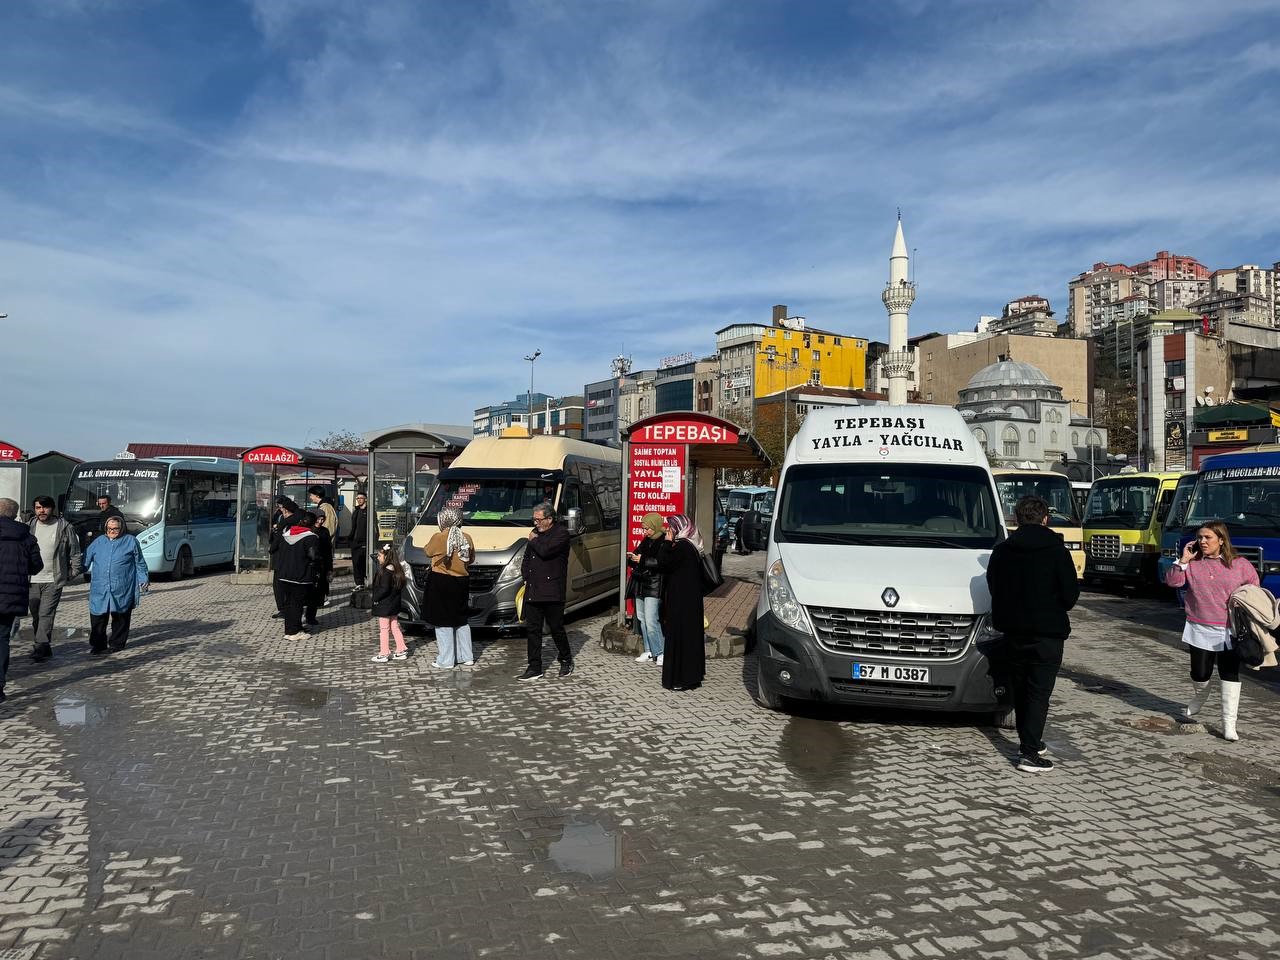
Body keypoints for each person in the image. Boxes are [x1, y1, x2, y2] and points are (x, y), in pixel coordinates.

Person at [986, 495, 1080, 773]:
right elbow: (1070, 596)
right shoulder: (1057, 551)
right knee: (1038, 693)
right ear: (1045, 518)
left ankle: (1031, 743)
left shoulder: (1002, 550)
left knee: (1021, 688)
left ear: (1016, 519)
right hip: (1047, 634)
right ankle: (1029, 752)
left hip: (1012, 631)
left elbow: (993, 586)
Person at [1165, 520, 1258, 741]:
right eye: (1200, 537)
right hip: (1199, 626)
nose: (1202, 541)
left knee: (1229, 674)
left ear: (1221, 540)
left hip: (1230, 629)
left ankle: (1229, 724)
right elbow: (1173, 582)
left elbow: (1254, 587)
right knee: (1200, 673)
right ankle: (1200, 697)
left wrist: (1245, 602)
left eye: (1208, 537)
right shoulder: (1193, 563)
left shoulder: (1240, 564)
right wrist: (1183, 561)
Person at [518, 502, 573, 681]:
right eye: (534, 519)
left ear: (550, 519)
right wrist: (525, 575)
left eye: (539, 519)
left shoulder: (561, 534)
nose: (536, 523)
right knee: (533, 630)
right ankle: (534, 667)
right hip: (533, 589)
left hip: (552, 590)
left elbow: (545, 551)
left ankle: (565, 658)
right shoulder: (535, 535)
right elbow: (527, 558)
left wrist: (534, 540)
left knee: (556, 628)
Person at [27, 495, 83, 662]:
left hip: (53, 579)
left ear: (52, 509)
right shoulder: (29, 526)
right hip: (32, 579)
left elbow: (74, 551)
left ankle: (40, 645)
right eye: (38, 508)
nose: (41, 511)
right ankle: (44, 645)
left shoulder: (64, 527)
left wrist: (73, 572)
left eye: (45, 508)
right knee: (36, 614)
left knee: (46, 614)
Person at [83, 514, 149, 655]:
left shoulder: (131, 541)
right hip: (100, 587)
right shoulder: (99, 541)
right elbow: (86, 559)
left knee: (120, 616)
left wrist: (143, 580)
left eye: (115, 529)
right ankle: (98, 645)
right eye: (109, 529)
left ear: (122, 528)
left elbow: (140, 563)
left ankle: (117, 643)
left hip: (122, 586)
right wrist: (74, 570)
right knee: (98, 616)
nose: (112, 531)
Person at [656, 513, 706, 692]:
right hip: (690, 601)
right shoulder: (691, 546)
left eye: (671, 528)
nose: (669, 531)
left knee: (680, 638)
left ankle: (681, 678)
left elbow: (662, 562)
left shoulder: (682, 547)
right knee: (690, 638)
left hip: (681, 602)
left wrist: (667, 543)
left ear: (679, 528)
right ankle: (692, 677)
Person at [0, 498, 43, 702]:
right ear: (15, 514)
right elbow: (37, 566)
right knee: (2, 639)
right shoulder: (26, 536)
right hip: (11, 596)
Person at [425, 506, 475, 670]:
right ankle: (466, 656)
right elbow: (471, 558)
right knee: (461, 619)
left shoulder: (439, 537)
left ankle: (446, 660)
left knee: (443, 621)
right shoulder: (466, 537)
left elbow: (428, 551)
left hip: (441, 580)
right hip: (462, 581)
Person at [626, 512, 666, 664]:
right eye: (643, 528)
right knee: (642, 619)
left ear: (655, 526)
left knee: (651, 620)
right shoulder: (646, 540)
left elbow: (660, 563)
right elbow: (638, 555)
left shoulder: (663, 541)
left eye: (647, 528)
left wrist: (641, 559)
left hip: (654, 584)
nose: (645, 532)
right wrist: (632, 557)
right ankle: (649, 651)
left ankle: (660, 652)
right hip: (641, 583)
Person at [274, 513, 319, 641]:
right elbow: (313, 556)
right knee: (297, 604)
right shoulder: (311, 538)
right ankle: (294, 632)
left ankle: (291, 628)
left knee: (288, 604)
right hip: (300, 576)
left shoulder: (287, 534)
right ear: (312, 524)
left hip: (283, 575)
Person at [369, 544, 408, 663]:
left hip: (384, 605)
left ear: (386, 557)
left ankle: (384, 652)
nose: (378, 558)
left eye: (380, 556)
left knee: (384, 629)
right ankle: (401, 649)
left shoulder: (386, 572)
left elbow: (384, 589)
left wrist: (375, 598)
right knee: (395, 626)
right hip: (393, 604)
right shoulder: (397, 570)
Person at [269, 497, 301, 620]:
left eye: (281, 507)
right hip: (292, 558)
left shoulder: (287, 521)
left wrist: (271, 548)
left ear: (286, 509)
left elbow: (277, 540)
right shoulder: (298, 517)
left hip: (282, 556)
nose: (279, 509)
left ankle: (284, 608)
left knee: (279, 583)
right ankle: (288, 607)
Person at [302, 512, 333, 628]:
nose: (320, 522)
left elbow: (329, 551)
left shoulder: (325, 531)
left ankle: (311, 616)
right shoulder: (309, 531)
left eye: (322, 519)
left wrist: (329, 569)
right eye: (318, 519)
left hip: (322, 565)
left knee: (318, 593)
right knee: (308, 593)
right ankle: (304, 616)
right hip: (310, 565)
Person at [350, 492, 369, 588]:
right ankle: (359, 583)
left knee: (365, 562)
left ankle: (367, 580)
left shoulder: (369, 511)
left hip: (366, 541)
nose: (359, 500)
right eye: (357, 498)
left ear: (365, 499)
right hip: (355, 541)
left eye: (361, 498)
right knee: (356, 563)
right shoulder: (356, 511)